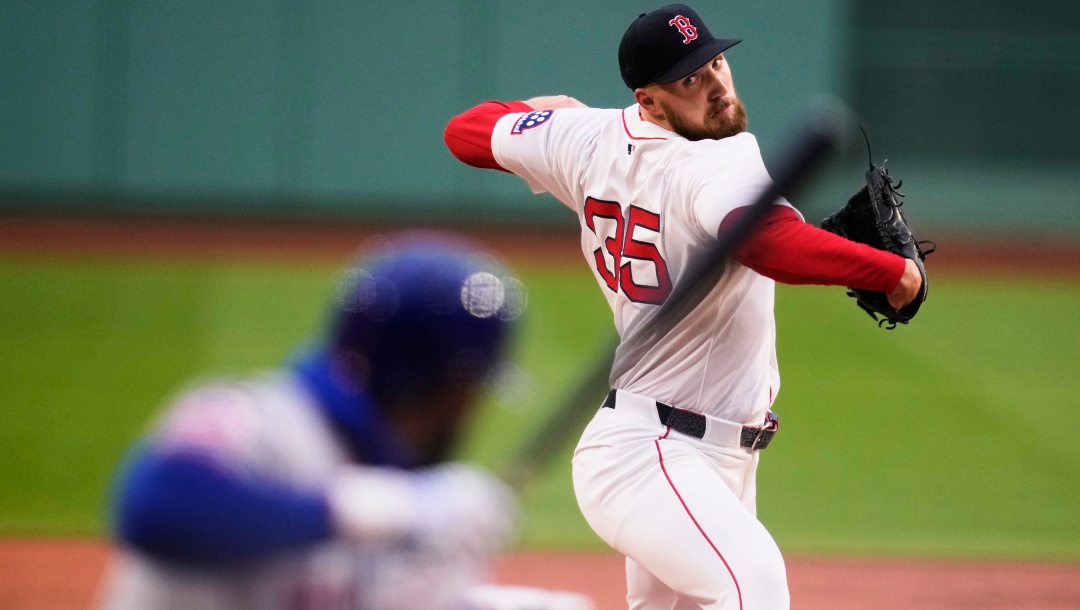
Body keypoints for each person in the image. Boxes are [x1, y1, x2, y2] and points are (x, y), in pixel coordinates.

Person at [443, 4, 923, 609]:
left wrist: (536, 117)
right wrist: (894, 271)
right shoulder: (717, 161)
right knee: (754, 589)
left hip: (685, 457)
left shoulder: (586, 137)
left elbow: (464, 132)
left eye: (716, 62)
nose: (718, 87)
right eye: (691, 80)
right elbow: (769, 243)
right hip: (655, 456)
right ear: (649, 100)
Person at [96, 232, 593, 610]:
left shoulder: (395, 480)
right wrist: (394, 509)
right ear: (411, 378)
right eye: (460, 393)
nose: (466, 416)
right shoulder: (261, 419)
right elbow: (157, 506)